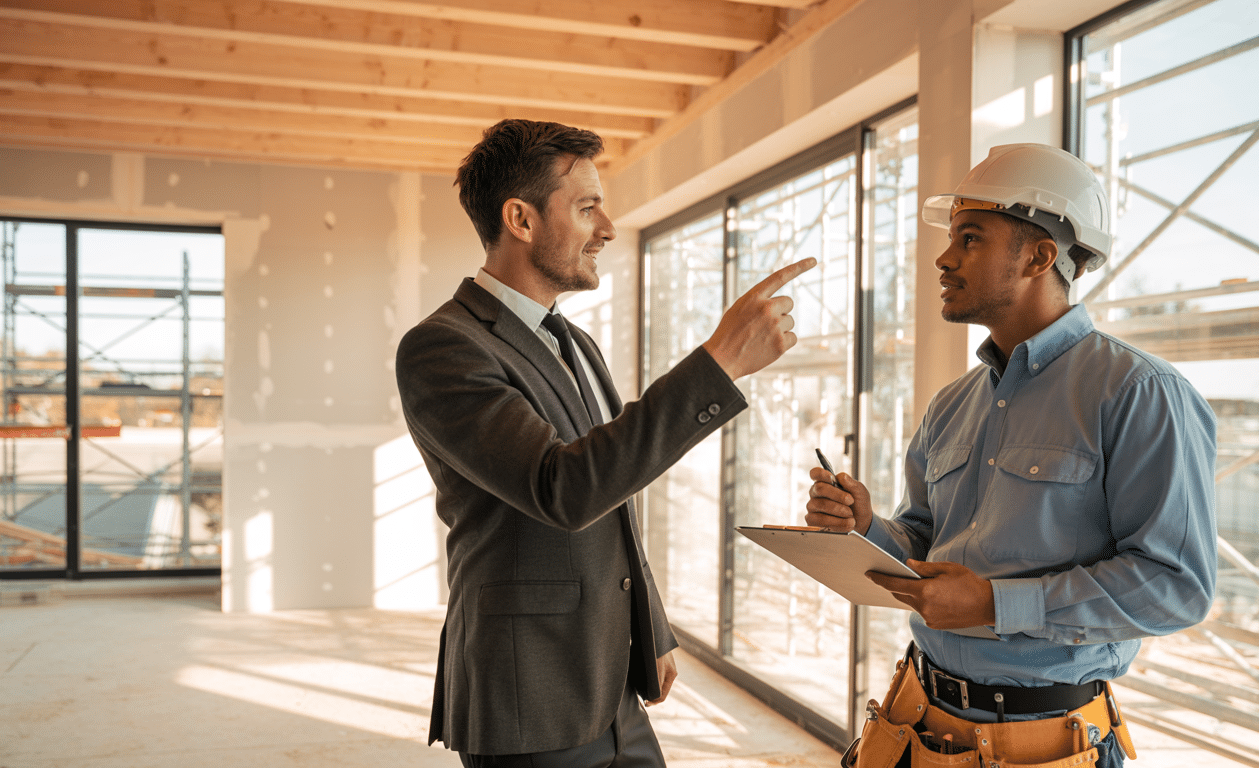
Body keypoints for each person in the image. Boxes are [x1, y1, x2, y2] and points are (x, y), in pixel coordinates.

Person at [396, 119, 815, 767]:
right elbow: (562, 488)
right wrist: (719, 362)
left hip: (610, 682)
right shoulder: (444, 347)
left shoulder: (575, 342)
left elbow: (612, 491)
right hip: (526, 693)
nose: (609, 228)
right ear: (521, 218)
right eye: (587, 207)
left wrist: (651, 626)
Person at [805, 144, 1217, 767]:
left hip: (1047, 744)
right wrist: (865, 529)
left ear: (1040, 256)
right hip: (916, 721)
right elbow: (925, 543)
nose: (943, 259)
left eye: (969, 238)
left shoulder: (1138, 394)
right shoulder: (953, 402)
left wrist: (997, 604)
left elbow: (1176, 586)